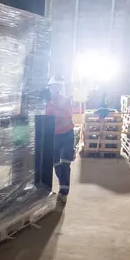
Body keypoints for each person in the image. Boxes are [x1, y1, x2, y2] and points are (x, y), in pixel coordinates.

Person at [45, 75, 76, 205]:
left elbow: (66, 119)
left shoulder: (66, 101)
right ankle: (61, 187)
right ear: (50, 88)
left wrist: (54, 121)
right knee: (56, 164)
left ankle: (63, 192)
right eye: (54, 87)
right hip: (53, 137)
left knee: (64, 163)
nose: (56, 89)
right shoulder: (47, 103)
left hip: (66, 135)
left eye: (58, 87)